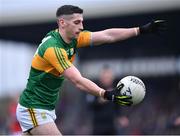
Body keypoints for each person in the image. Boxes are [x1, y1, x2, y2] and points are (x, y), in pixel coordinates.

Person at [16, 5, 166, 135]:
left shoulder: (72, 38)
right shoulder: (53, 48)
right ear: (62, 23)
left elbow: (107, 35)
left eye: (81, 21)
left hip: (45, 108)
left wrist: (139, 30)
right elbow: (77, 80)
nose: (81, 27)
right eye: (76, 22)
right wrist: (105, 93)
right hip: (33, 108)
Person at [87, 65, 117, 135]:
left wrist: (121, 117)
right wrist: (102, 99)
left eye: (109, 77)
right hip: (98, 127)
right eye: (105, 77)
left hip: (111, 127)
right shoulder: (94, 88)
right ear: (101, 77)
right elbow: (90, 105)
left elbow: (117, 107)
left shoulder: (115, 90)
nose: (107, 78)